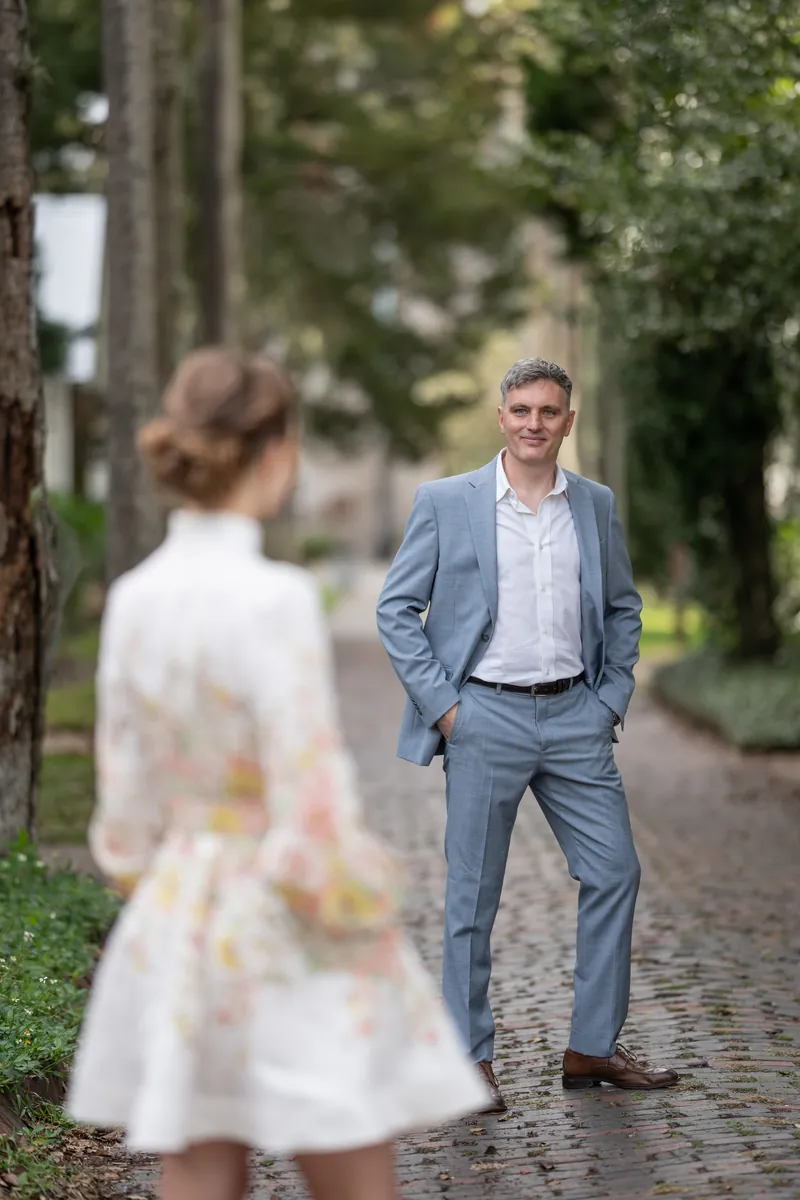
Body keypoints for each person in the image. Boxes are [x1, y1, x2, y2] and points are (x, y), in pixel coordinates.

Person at [67, 347, 487, 1200]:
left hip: (183, 911)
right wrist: (358, 900)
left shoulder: (134, 598)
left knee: (201, 1161)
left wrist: (168, 881)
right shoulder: (276, 600)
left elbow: (125, 811)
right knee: (348, 1155)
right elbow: (311, 792)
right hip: (285, 901)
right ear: (276, 452)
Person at [376, 357, 679, 1113]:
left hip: (576, 717)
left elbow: (622, 607)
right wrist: (448, 709)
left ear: (568, 422)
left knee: (615, 871)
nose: (533, 423)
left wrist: (609, 700)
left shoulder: (595, 504)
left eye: (548, 411)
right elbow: (396, 609)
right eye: (521, 410)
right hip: (483, 717)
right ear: (501, 416)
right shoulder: (446, 502)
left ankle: (592, 1047)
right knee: (472, 898)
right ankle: (468, 1060)